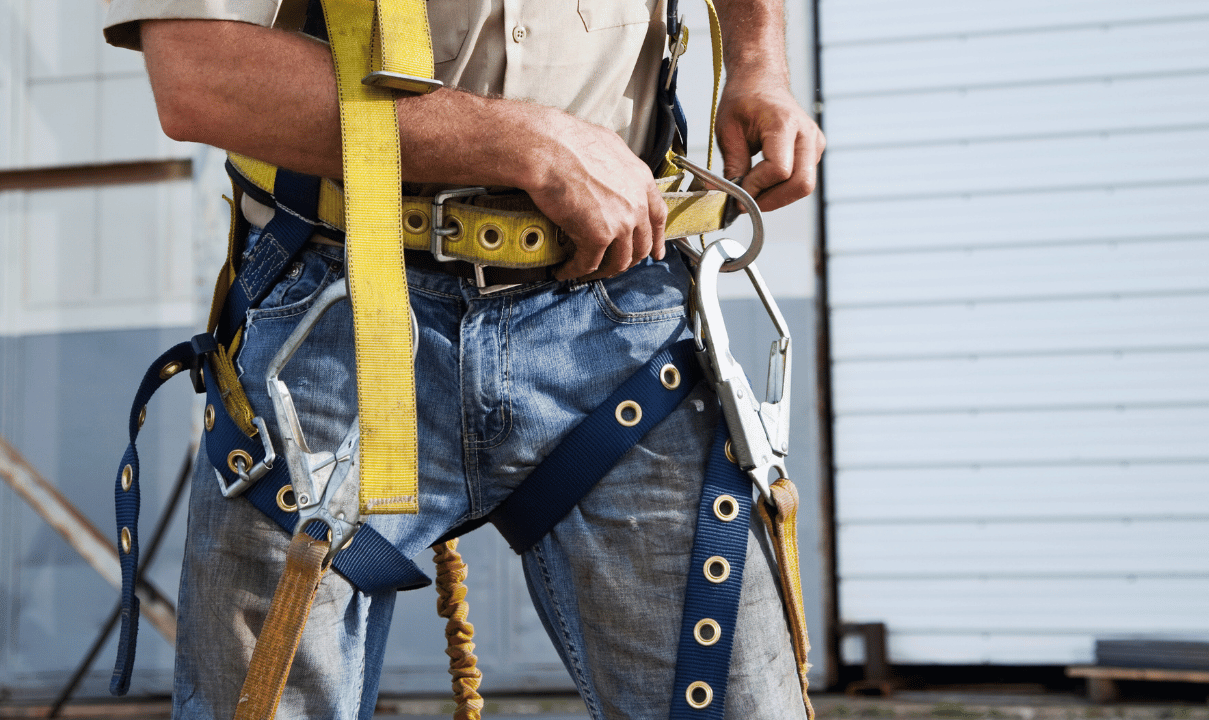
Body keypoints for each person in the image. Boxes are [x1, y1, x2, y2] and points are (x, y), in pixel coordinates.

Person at [103, 0, 824, 717]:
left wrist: (758, 57)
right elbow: (200, 72)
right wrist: (525, 144)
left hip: (622, 314)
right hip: (335, 316)